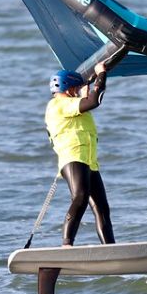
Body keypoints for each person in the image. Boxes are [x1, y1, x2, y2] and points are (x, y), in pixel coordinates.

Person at [45, 63, 115, 247]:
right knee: (80, 196)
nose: (78, 92)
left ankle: (110, 248)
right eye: (75, 89)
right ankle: (67, 244)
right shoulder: (58, 105)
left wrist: (86, 89)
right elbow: (94, 101)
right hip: (73, 157)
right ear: (68, 90)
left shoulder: (70, 106)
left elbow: (85, 104)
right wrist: (101, 75)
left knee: (101, 208)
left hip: (89, 161)